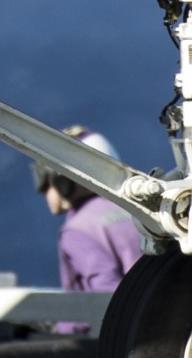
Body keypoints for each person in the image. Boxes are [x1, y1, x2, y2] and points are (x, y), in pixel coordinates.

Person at [34, 126, 143, 297]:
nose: (44, 190)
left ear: (65, 180)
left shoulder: (77, 231)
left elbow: (105, 297)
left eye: (46, 180)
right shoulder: (138, 210)